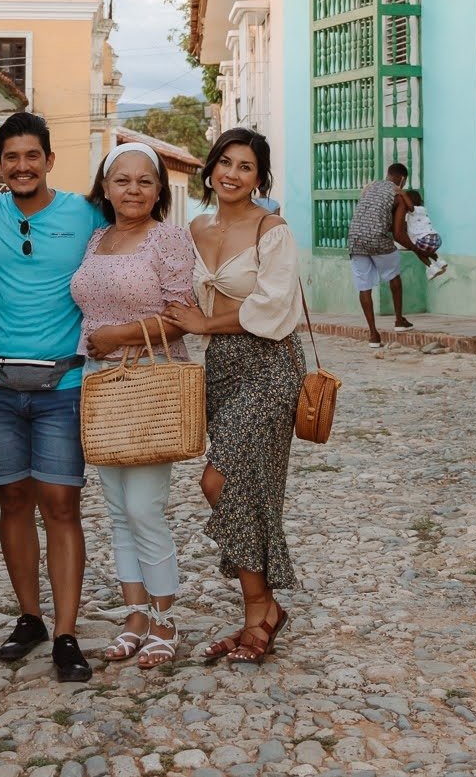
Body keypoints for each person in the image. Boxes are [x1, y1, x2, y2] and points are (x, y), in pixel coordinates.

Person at [0, 111, 105, 683]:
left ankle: (67, 633)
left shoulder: (86, 214)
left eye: (32, 156)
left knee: (62, 504)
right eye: (11, 157)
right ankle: (30, 617)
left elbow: (132, 241)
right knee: (13, 502)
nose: (22, 166)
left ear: (49, 160)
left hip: (64, 386)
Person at [169, 127, 305, 665]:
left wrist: (205, 321)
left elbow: (274, 308)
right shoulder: (194, 228)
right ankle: (263, 609)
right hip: (221, 366)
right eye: (225, 162)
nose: (232, 173)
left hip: (271, 364)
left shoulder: (273, 232)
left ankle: (260, 607)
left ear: (259, 177)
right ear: (210, 168)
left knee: (218, 479)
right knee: (250, 488)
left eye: (245, 167)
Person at [70, 142, 197, 671]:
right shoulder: (98, 238)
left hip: (149, 378)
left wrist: (119, 334)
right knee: (119, 509)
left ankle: (166, 618)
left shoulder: (169, 238)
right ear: (105, 187)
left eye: (145, 181)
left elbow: (183, 314)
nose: (133, 190)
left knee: (146, 507)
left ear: (159, 190)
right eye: (122, 180)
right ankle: (134, 614)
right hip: (101, 381)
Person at [349, 161, 416, 343]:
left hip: (355, 239)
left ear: (388, 174)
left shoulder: (370, 187)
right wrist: (418, 249)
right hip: (378, 238)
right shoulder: (398, 194)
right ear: (402, 179)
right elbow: (398, 234)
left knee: (364, 285)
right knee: (393, 275)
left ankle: (373, 334)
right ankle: (399, 320)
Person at [399, 187, 450, 280]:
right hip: (436, 239)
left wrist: (403, 194)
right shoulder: (423, 210)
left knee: (417, 250)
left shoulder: (414, 211)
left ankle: (431, 267)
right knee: (427, 250)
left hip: (425, 239)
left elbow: (410, 208)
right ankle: (439, 261)